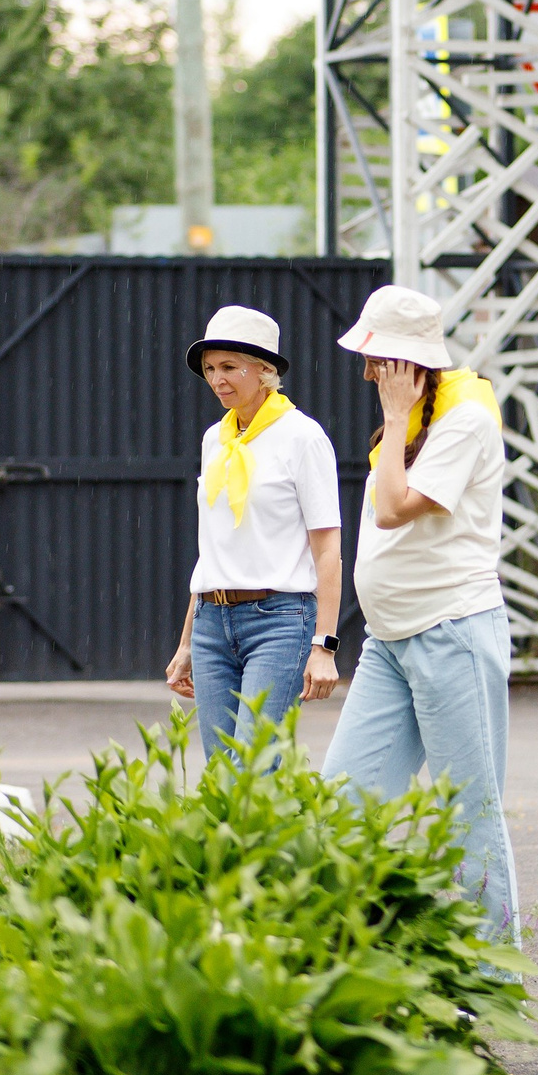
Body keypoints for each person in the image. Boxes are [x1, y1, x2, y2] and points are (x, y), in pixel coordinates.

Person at [320, 285, 522, 944]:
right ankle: (346, 951)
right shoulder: (415, 418)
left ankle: (489, 976)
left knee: (469, 812)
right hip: (390, 640)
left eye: (377, 358)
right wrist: (399, 414)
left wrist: (396, 409)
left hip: (453, 632)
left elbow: (391, 509)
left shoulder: (465, 417)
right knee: (344, 801)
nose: (368, 371)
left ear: (409, 363)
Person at [164, 305, 344, 758]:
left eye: (229, 366)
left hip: (279, 621)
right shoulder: (215, 440)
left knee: (254, 768)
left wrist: (325, 644)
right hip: (211, 623)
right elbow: (213, 549)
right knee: (221, 774)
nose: (217, 379)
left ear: (264, 371)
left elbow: (328, 549)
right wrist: (187, 642)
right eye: (209, 369)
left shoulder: (302, 437)